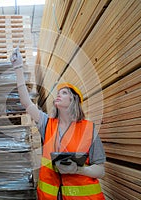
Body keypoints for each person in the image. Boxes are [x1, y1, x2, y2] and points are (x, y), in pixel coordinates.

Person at [10, 48, 106, 200]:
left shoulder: (89, 129)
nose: (58, 95)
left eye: (64, 93)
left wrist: (79, 170)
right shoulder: (47, 123)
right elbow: (26, 102)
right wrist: (18, 68)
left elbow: (100, 171)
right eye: (58, 92)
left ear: (73, 100)